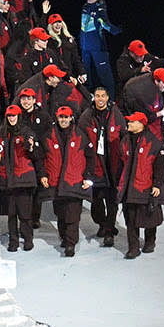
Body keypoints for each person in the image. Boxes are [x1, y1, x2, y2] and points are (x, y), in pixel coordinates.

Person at [43, 106, 98, 257]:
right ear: (57, 118)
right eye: (61, 117)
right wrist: (43, 175)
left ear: (71, 118)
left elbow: (91, 157)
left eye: (66, 117)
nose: (64, 120)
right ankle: (64, 237)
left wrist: (88, 177)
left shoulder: (80, 135)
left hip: (75, 182)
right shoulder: (48, 135)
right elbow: (42, 157)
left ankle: (70, 243)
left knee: (73, 215)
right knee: (60, 214)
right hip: (56, 183)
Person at [80, 86, 128, 246]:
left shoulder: (115, 114)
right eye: (97, 96)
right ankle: (103, 223)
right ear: (94, 98)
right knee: (96, 202)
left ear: (108, 98)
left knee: (112, 201)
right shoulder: (86, 116)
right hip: (95, 166)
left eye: (103, 96)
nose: (100, 99)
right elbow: (80, 139)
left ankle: (109, 231)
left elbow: (124, 137)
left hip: (112, 166)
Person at [118, 111, 164, 258]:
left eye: (132, 122)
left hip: (146, 186)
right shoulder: (125, 140)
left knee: (149, 216)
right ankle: (133, 248)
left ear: (141, 124)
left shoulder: (154, 142)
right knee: (130, 219)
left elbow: (160, 166)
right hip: (129, 187)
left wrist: (157, 185)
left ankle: (149, 242)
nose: (129, 124)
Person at [0, 104, 41, 251]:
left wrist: (31, 147)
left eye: (14, 115)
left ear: (18, 116)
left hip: (23, 179)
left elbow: (34, 153)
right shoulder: (2, 132)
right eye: (9, 116)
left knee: (25, 214)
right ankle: (13, 241)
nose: (11, 118)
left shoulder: (27, 131)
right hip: (7, 180)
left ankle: (28, 239)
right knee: (11, 214)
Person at [79, 0, 120, 90]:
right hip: (85, 48)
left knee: (104, 76)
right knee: (86, 75)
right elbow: (83, 27)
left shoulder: (99, 8)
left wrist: (118, 31)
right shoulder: (85, 7)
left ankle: (110, 100)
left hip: (98, 48)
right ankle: (88, 98)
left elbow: (105, 24)